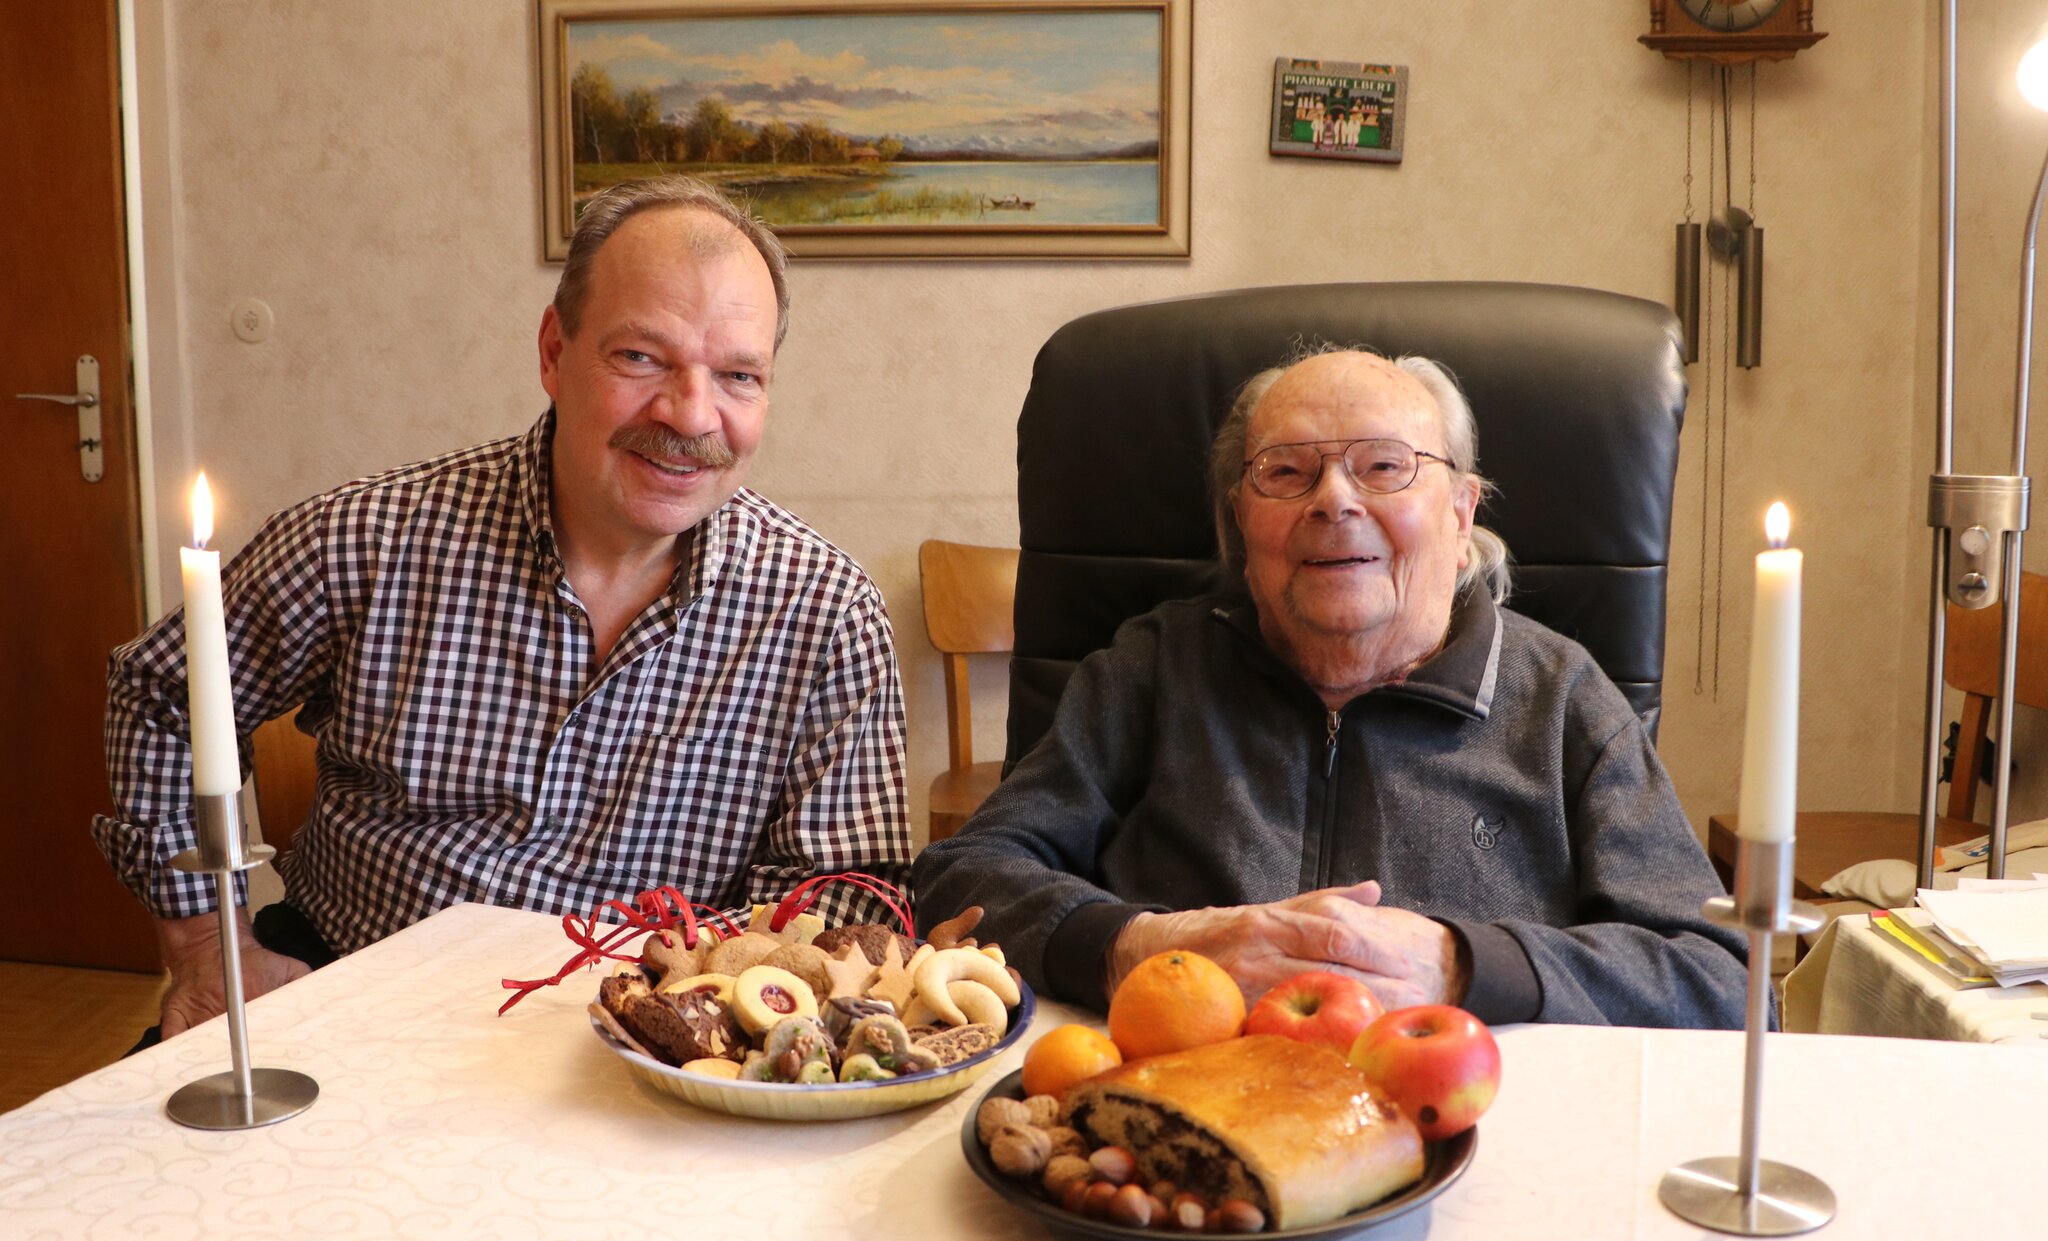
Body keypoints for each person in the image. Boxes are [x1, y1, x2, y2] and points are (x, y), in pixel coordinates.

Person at [97, 177, 911, 1040]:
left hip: (650, 1041)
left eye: (738, 375)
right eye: (641, 358)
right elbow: (160, 695)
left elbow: (843, 889)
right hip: (348, 992)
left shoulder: (826, 612)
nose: (691, 413)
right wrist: (202, 944)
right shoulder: (370, 538)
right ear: (555, 352)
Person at [913, 348, 1747, 1028]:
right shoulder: (1151, 670)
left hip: (1476, 1136)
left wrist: (1465, 965)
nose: (1334, 500)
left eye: (1384, 466)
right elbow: (961, 879)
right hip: (1178, 1124)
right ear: (1242, 519)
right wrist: (1143, 943)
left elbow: (1724, 982)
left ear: (1461, 515)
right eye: (1286, 472)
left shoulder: (1562, 699)